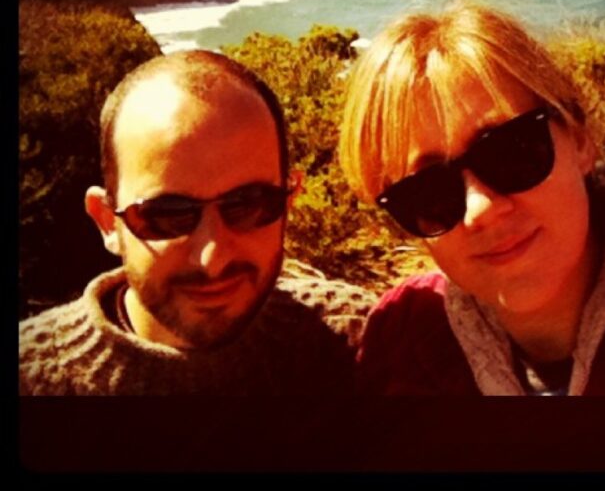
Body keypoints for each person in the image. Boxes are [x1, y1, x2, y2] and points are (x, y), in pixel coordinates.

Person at [338, 0, 605, 395]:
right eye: (428, 192)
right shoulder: (402, 343)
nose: (481, 210)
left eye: (510, 151)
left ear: (580, 139)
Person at [19, 50, 374, 395]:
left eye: (249, 205)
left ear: (289, 201)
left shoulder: (366, 341)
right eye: (168, 215)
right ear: (108, 221)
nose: (212, 258)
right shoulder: (33, 376)